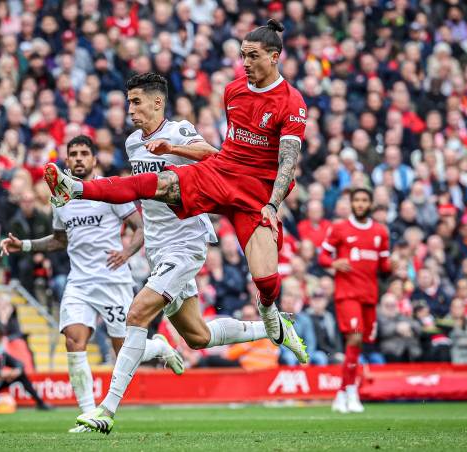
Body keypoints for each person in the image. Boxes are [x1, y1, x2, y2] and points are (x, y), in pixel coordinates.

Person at [62, 64, 307, 434]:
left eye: (136, 102)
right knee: (198, 337)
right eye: (129, 102)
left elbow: (216, 159)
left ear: (158, 101)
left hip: (186, 242)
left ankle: (106, 410)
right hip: (158, 247)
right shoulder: (131, 142)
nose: (131, 110)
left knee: (138, 312)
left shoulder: (179, 130)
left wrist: (173, 148)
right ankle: (276, 330)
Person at [1, 135, 182, 432]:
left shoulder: (108, 190)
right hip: (79, 282)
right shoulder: (61, 198)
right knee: (73, 340)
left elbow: (139, 227)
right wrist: (27, 246)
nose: (79, 158)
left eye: (85, 153)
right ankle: (88, 415)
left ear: (94, 159)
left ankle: (158, 347)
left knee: (122, 349)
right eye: (73, 154)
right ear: (67, 160)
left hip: (113, 281)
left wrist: (126, 252)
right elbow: (60, 240)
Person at [319, 188, 394, 413]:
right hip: (347, 294)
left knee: (360, 343)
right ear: (351, 204)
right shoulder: (340, 228)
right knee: (355, 338)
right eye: (357, 201)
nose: (360, 204)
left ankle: (342, 393)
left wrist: (395, 266)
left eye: (364, 201)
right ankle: (350, 391)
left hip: (369, 295)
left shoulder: (380, 231)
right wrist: (334, 264)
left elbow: (384, 267)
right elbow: (322, 255)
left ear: (370, 204)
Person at [0, 324, 51, 412]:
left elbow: (18, 363)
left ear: (0, 336)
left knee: (21, 375)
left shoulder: (1, 352)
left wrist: (17, 370)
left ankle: (40, 403)